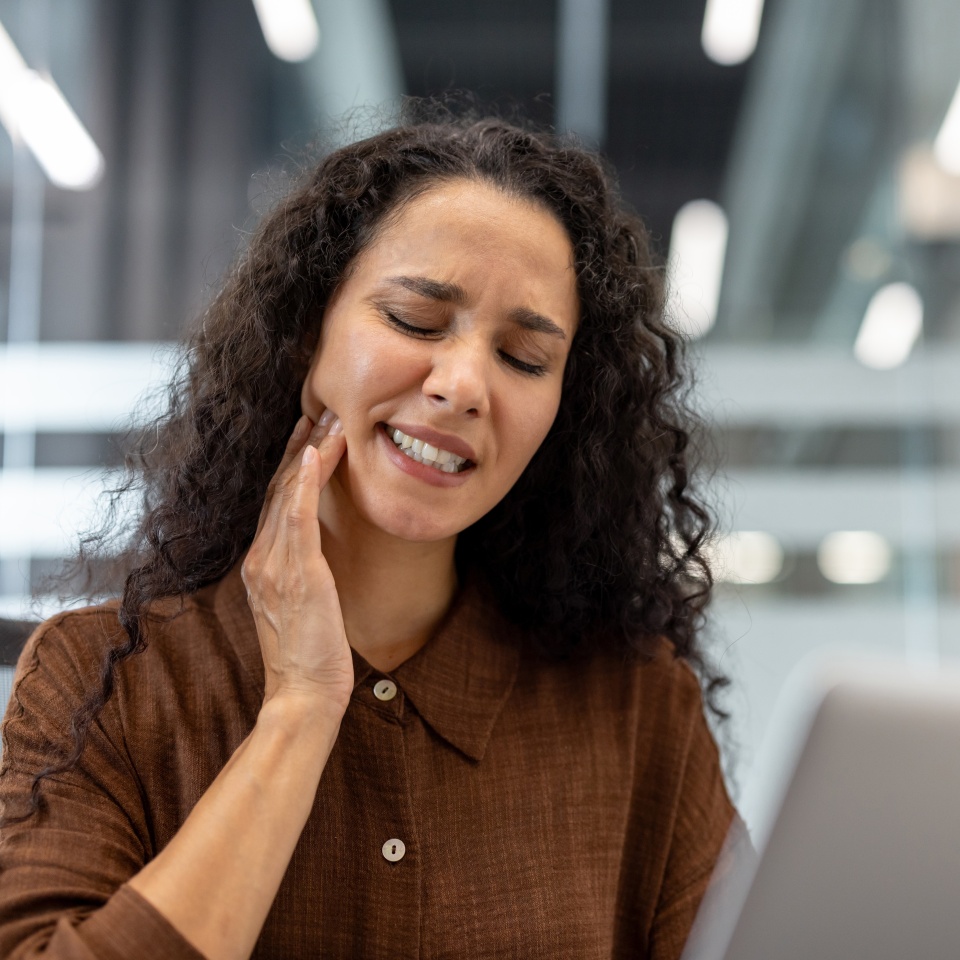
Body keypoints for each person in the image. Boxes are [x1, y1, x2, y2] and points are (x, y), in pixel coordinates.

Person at [0, 110, 746, 959]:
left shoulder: (635, 704)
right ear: (304, 336)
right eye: (417, 322)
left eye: (525, 360)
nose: (464, 385)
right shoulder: (110, 682)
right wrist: (300, 712)